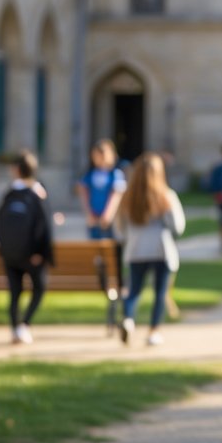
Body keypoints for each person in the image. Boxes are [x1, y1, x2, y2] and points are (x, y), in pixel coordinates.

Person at [115, 152, 185, 347]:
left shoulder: (127, 198)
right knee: (159, 292)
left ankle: (128, 319)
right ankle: (154, 331)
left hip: (136, 250)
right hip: (160, 249)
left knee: (134, 291)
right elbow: (178, 226)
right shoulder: (165, 195)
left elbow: (119, 230)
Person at [0, 150, 55, 345]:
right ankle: (24, 325)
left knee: (14, 293)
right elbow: (45, 226)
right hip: (31, 256)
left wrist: (3, 250)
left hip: (10, 254)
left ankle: (15, 328)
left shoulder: (9, 194)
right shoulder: (37, 194)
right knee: (39, 287)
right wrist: (41, 253)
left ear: (16, 170)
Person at [75, 139, 126, 240]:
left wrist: (108, 214)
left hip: (110, 220)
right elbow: (84, 193)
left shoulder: (115, 174)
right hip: (93, 218)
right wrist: (88, 213)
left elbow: (116, 195)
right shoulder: (89, 174)